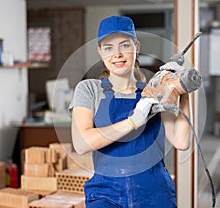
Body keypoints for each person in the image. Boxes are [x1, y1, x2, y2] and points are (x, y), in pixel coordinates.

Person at [69, 15, 191, 208]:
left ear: (137, 47)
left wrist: (182, 89)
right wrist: (133, 121)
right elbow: (82, 144)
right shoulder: (89, 89)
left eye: (125, 45)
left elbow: (181, 141)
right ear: (100, 52)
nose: (117, 54)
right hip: (106, 195)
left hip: (155, 194)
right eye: (108, 47)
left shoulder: (154, 91)